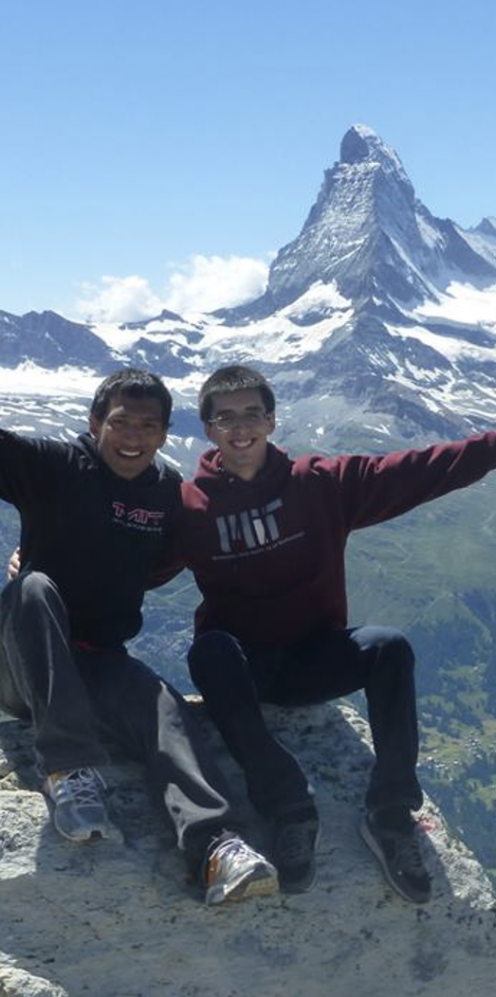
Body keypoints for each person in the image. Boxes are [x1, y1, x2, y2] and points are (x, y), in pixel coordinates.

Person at [158, 363, 496, 903]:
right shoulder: (189, 506)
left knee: (389, 646)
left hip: (316, 657)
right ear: (208, 430)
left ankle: (390, 814)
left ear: (270, 419)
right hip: (244, 669)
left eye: (251, 414)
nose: (240, 428)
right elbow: (131, 560)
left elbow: (420, 469)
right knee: (209, 651)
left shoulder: (320, 483)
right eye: (226, 418)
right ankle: (288, 807)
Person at [0, 368, 278, 906]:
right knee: (33, 589)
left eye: (149, 426)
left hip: (97, 659)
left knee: (164, 708)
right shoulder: (54, 467)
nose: (133, 437)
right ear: (95, 422)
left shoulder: (167, 494)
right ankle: (68, 770)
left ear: (165, 434)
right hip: (12, 658)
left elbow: (181, 556)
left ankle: (216, 846)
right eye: (121, 422)